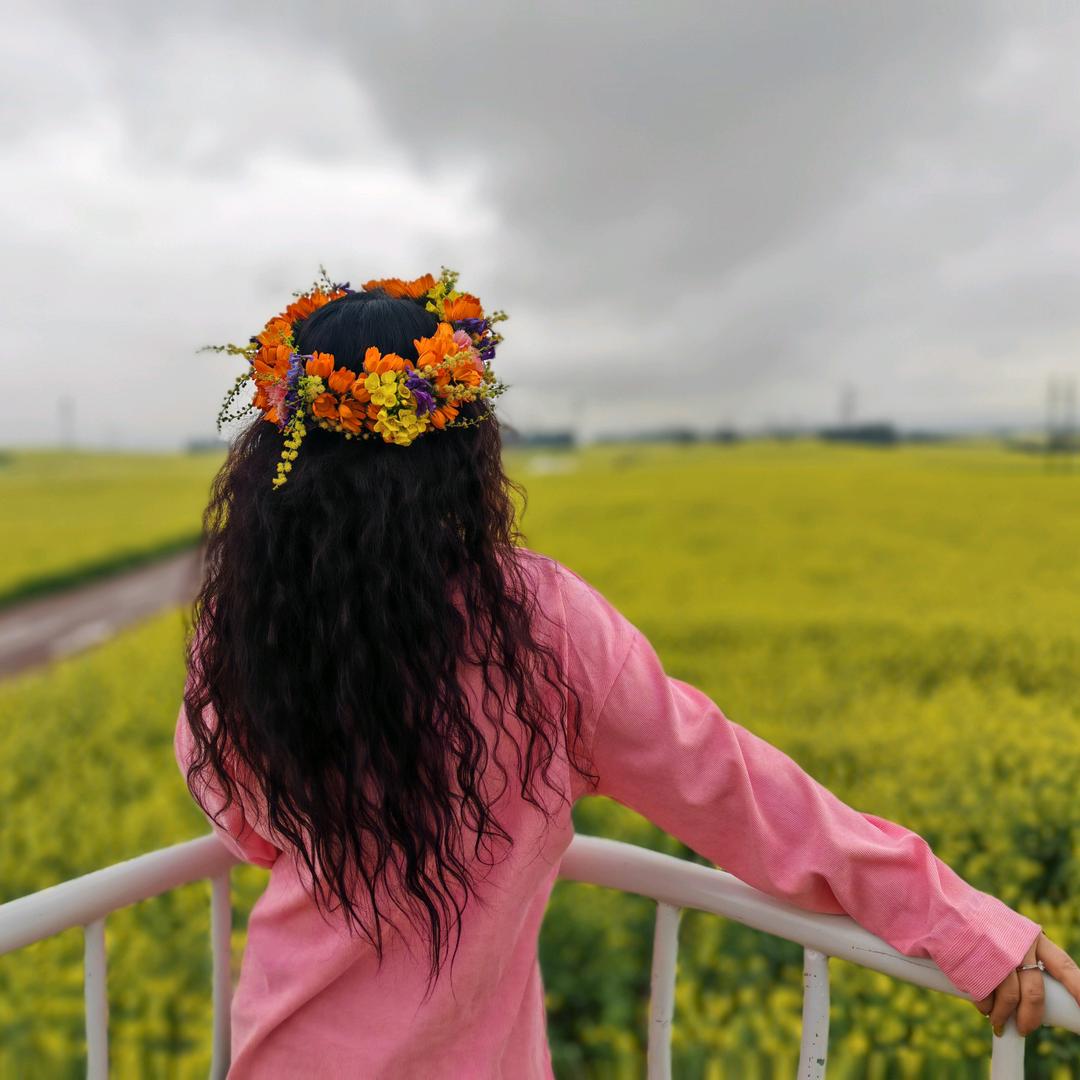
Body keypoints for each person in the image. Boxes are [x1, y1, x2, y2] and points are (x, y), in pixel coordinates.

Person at [175, 271, 1080, 1078]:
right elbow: (732, 788)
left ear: (278, 459)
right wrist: (958, 920)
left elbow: (242, 819)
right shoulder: (536, 627)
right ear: (461, 456)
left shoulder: (243, 625)